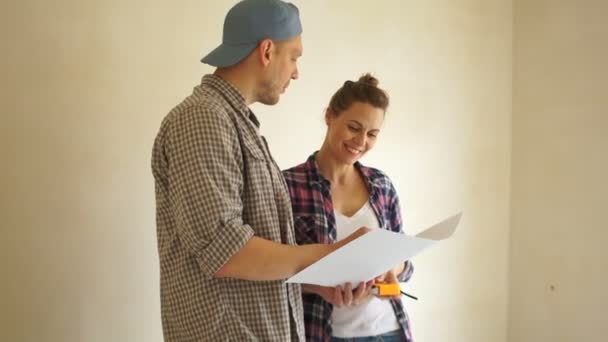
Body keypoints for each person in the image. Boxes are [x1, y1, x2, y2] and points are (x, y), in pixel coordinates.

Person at [151, 1, 369, 341]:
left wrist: (319, 278)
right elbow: (226, 252)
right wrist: (333, 255)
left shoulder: (236, 125)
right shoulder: (202, 119)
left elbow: (252, 258)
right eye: (294, 56)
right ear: (267, 50)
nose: (296, 71)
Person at [283, 74, 415, 342]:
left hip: (390, 330)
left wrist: (392, 267)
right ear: (329, 116)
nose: (361, 141)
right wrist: (318, 287)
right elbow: (271, 273)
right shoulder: (286, 186)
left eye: (372, 134)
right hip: (324, 333)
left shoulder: (381, 184)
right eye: (354, 127)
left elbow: (406, 264)